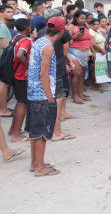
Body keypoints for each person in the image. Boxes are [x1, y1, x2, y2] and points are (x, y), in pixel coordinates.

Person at [27, 16, 64, 176]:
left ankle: (35, 163)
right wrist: (50, 97)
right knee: (42, 132)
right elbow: (44, 74)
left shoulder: (38, 42)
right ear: (61, 32)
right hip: (42, 94)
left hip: (33, 92)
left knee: (34, 131)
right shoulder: (48, 47)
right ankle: (40, 168)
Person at [37, 9, 76, 141]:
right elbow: (65, 51)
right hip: (57, 69)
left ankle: (49, 130)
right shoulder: (62, 33)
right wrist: (68, 62)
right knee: (58, 102)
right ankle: (56, 132)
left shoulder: (41, 33)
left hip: (45, 71)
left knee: (49, 102)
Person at [7, 19, 32, 142]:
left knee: (19, 102)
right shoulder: (26, 40)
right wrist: (27, 67)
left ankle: (13, 129)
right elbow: (20, 55)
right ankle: (16, 135)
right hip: (22, 75)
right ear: (27, 28)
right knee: (23, 103)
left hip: (15, 74)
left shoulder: (15, 37)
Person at [68, 11, 93, 104]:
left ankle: (80, 93)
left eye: (84, 18)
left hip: (85, 52)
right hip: (74, 52)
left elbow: (90, 40)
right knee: (77, 73)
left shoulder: (86, 26)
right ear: (76, 18)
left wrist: (92, 52)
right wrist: (76, 36)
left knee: (82, 73)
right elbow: (66, 40)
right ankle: (74, 95)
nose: (83, 20)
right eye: (81, 18)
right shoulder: (71, 27)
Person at [0, 4, 15, 117]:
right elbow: (5, 46)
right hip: (3, 58)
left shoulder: (3, 25)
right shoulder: (1, 26)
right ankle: (3, 110)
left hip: (3, 58)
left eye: (12, 11)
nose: (11, 13)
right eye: (8, 11)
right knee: (4, 84)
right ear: (1, 13)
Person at [88, 18, 108, 92]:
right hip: (93, 53)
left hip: (100, 53)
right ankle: (95, 85)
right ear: (91, 25)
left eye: (97, 24)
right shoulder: (91, 31)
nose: (96, 25)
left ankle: (98, 84)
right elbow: (93, 43)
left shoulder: (98, 31)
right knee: (94, 70)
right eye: (95, 24)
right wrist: (102, 50)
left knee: (99, 69)